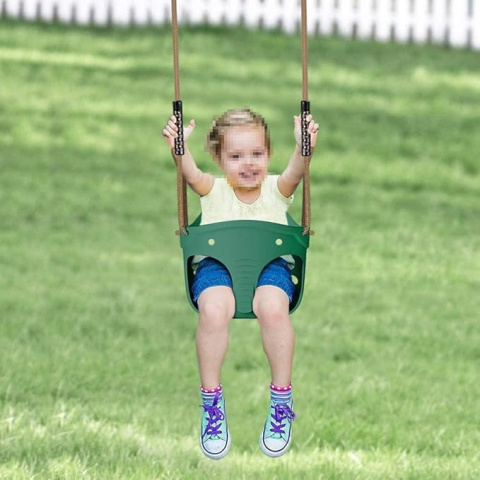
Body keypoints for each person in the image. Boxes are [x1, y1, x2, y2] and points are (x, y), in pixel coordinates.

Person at [162, 108, 319, 459]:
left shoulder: (276, 190)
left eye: (257, 154)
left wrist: (303, 147)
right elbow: (188, 173)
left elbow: (297, 171)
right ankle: (212, 404)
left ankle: (281, 399)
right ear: (219, 159)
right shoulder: (212, 190)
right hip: (218, 268)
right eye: (235, 156)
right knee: (214, 310)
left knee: (273, 307)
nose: (248, 164)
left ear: (268, 155)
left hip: (271, 268)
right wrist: (179, 148)